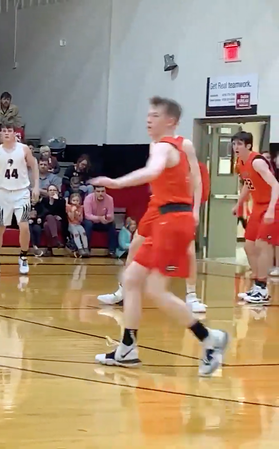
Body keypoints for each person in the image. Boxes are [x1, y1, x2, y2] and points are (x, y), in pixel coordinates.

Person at [90, 96, 228, 376]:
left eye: (154, 115)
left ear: (171, 121)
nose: (148, 119)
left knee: (155, 290)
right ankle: (127, 347)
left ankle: (209, 338)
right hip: (162, 217)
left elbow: (153, 171)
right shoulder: (163, 146)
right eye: (148, 114)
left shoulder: (166, 147)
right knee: (131, 278)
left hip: (173, 220)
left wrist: (116, 182)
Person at [97, 130, 211, 314]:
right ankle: (122, 291)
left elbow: (196, 179)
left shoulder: (185, 145)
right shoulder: (154, 145)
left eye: (155, 116)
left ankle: (192, 296)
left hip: (179, 207)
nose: (150, 123)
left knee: (189, 250)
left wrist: (195, 209)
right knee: (135, 245)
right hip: (156, 205)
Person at [0, 122, 39, 275]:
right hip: (3, 193)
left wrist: (36, 186)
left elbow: (34, 166)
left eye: (9, 130)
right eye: (4, 131)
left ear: (15, 133)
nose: (6, 133)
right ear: (0, 134)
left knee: (24, 226)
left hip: (22, 193)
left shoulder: (24, 149)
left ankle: (23, 256)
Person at [231, 131, 279, 304]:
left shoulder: (257, 161)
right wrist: (239, 203)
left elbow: (275, 184)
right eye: (234, 143)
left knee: (261, 244)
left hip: (272, 204)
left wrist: (272, 209)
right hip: (258, 206)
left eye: (239, 144)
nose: (236, 147)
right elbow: (247, 184)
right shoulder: (239, 163)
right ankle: (259, 286)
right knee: (249, 246)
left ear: (249, 146)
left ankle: (262, 286)